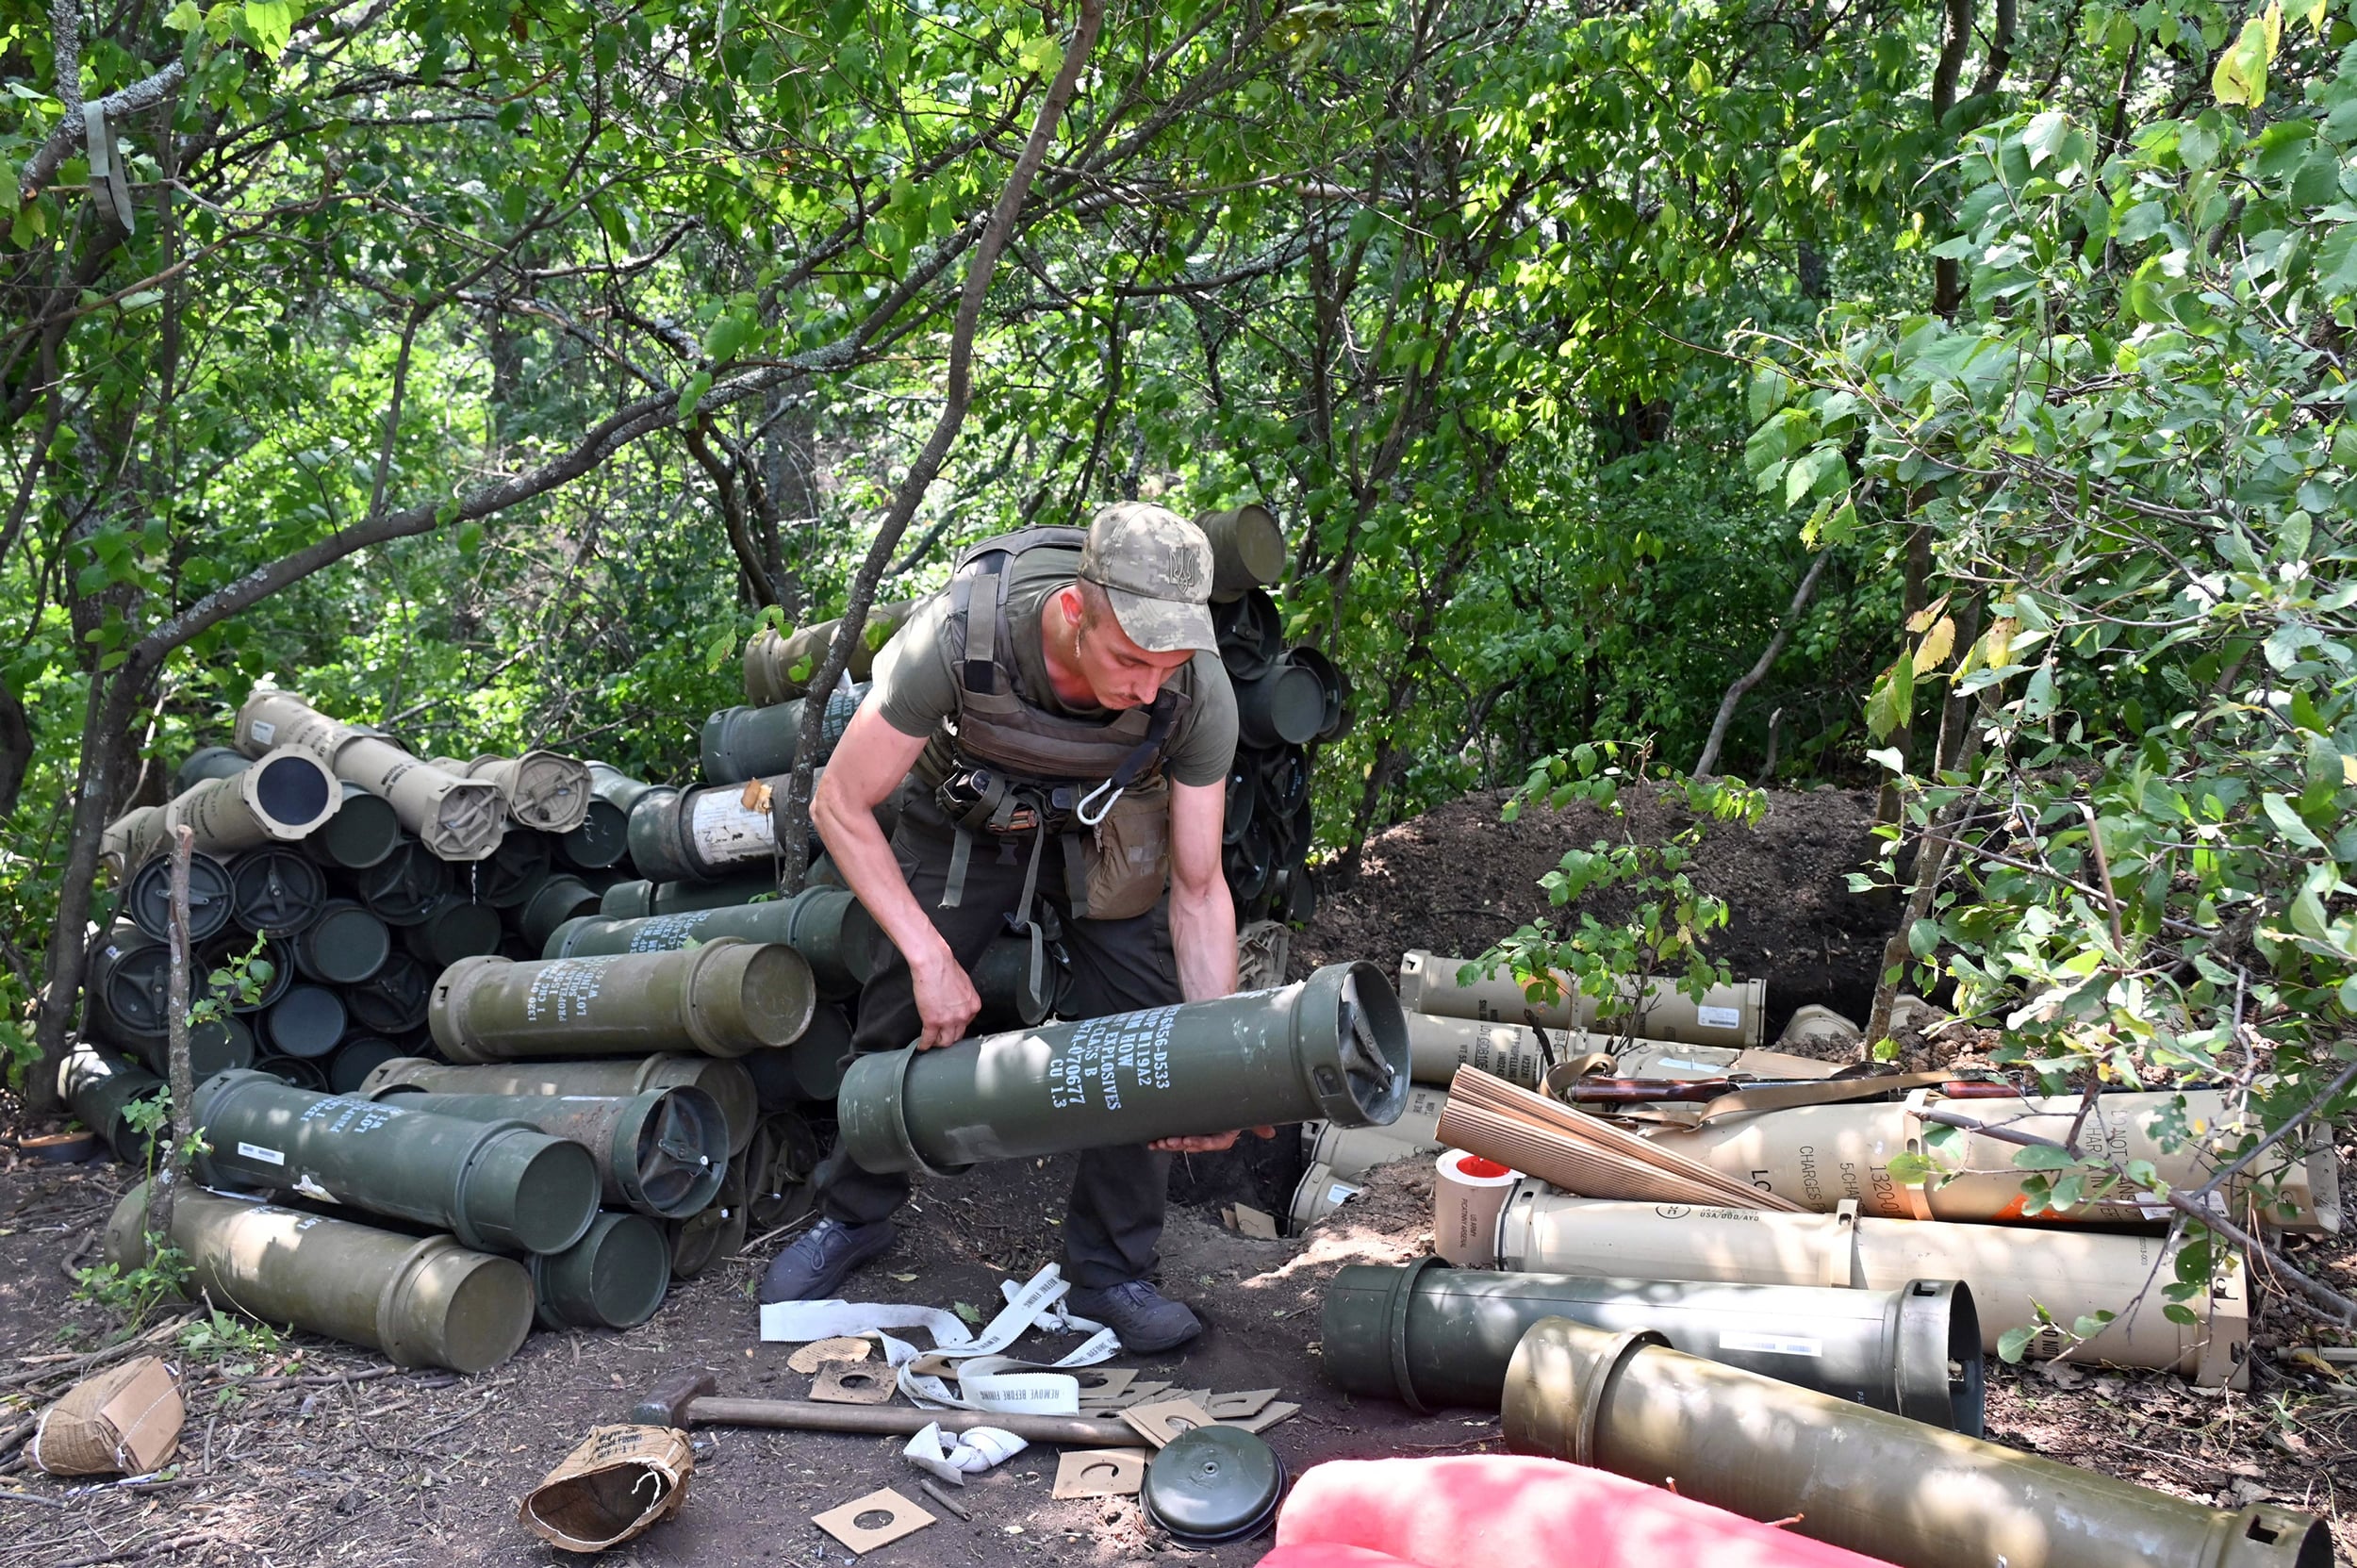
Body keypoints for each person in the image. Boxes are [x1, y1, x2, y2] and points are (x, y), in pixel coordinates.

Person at [759, 502, 1262, 1352]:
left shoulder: (1196, 689)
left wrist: (1207, 1060)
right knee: (897, 1011)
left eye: (1169, 664)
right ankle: (854, 1214)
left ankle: (1110, 1271)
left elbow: (1201, 885)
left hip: (1107, 822)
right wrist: (927, 956)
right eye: (1130, 659)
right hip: (966, 814)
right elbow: (839, 803)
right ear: (1074, 611)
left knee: (1146, 1029)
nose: (1149, 685)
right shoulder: (957, 634)